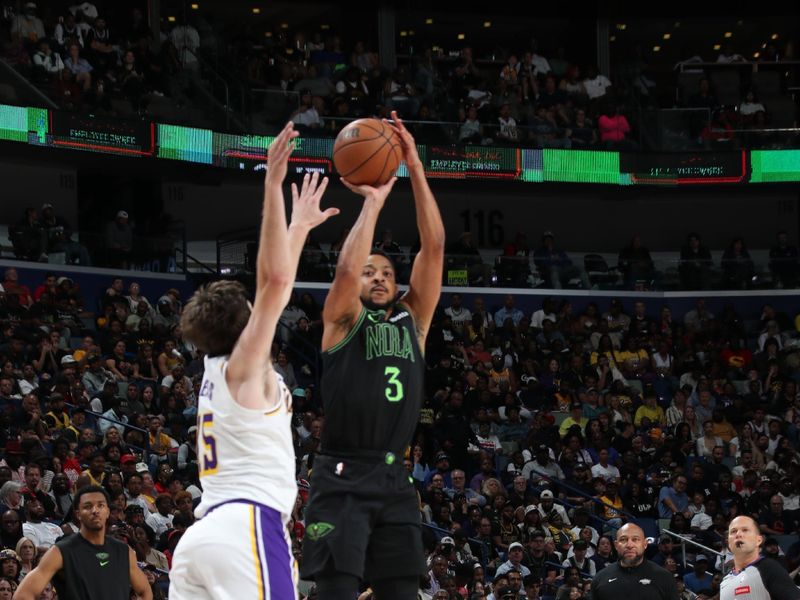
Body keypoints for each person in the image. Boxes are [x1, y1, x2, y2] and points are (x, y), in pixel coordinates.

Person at [168, 122, 338, 600]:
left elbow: (271, 286)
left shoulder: (214, 368)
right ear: (245, 325)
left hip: (202, 537)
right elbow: (275, 282)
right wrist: (272, 184)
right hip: (245, 528)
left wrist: (300, 226)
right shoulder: (244, 367)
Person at [300, 111, 444, 600]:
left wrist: (415, 167)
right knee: (336, 592)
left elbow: (436, 244)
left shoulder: (414, 319)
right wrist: (375, 203)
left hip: (394, 475)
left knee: (402, 592)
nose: (378, 277)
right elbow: (343, 272)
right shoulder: (342, 320)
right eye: (369, 272)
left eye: (385, 271)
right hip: (340, 473)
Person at [12, 485, 151, 600]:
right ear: (78, 514)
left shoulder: (123, 550)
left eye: (100, 505)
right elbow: (23, 594)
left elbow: (145, 591)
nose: (95, 511)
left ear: (108, 512)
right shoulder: (61, 551)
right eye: (88, 506)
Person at [590, 523, 677, 600]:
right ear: (616, 545)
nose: (629, 545)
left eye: (635, 539)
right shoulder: (599, 579)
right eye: (623, 540)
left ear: (645, 544)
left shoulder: (665, 578)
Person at [721, 515, 800, 600]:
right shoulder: (725, 581)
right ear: (728, 542)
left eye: (745, 530)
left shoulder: (769, 568)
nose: (738, 534)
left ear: (758, 540)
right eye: (733, 531)